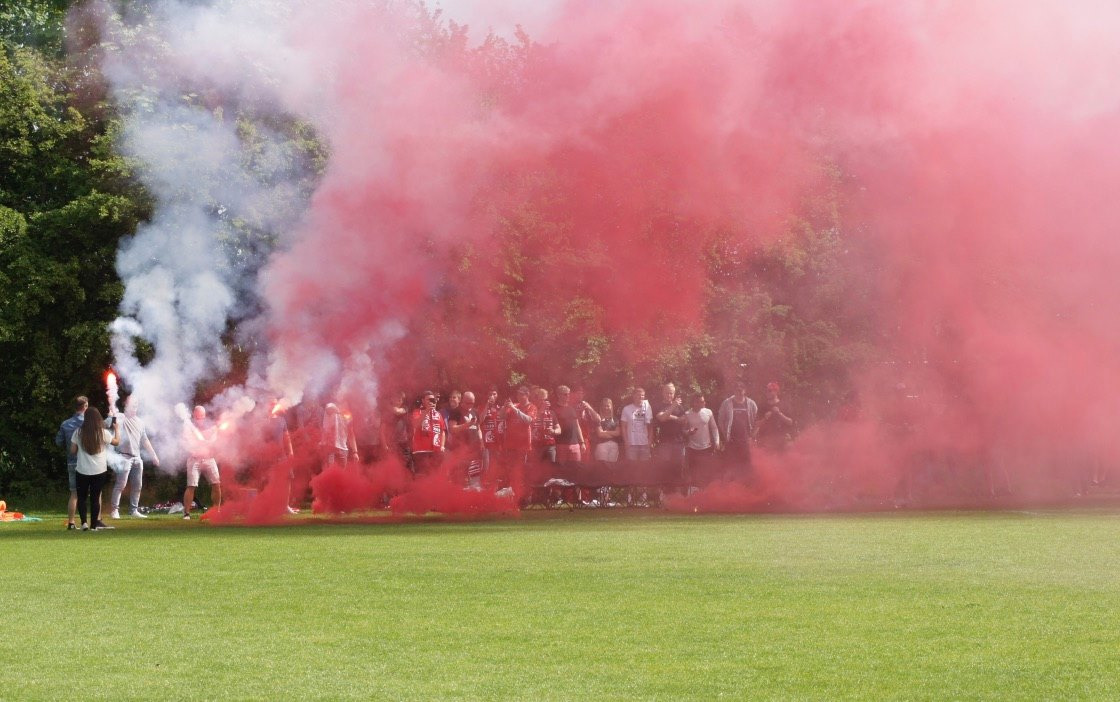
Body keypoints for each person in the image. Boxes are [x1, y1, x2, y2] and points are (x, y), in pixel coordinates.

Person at [109, 397, 160, 519]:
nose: (134, 407)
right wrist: (112, 414)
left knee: (138, 486)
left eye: (136, 404)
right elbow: (112, 419)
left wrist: (154, 456)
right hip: (124, 457)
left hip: (137, 458)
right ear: (126, 405)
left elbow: (145, 440)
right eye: (132, 404)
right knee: (120, 485)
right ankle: (114, 511)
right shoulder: (120, 417)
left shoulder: (140, 422)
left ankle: (134, 510)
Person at [69, 406, 120, 530]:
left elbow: (73, 451)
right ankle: (93, 526)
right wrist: (117, 429)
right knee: (95, 498)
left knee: (81, 497)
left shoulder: (78, 432)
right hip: (99, 470)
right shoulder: (103, 432)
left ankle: (84, 524)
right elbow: (116, 442)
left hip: (82, 470)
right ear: (98, 419)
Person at [182, 405, 221, 520]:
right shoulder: (188, 426)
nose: (200, 418)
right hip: (194, 459)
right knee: (191, 485)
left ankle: (216, 510)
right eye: (198, 416)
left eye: (202, 416)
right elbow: (186, 442)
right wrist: (196, 446)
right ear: (194, 415)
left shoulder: (211, 426)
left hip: (209, 458)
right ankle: (186, 514)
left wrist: (208, 441)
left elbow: (214, 441)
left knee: (216, 483)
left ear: (205, 416)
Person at [55, 395, 88, 530]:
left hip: (71, 462)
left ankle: (71, 522)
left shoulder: (65, 424)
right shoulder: (89, 423)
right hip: (88, 462)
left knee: (74, 493)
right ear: (85, 406)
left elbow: (58, 442)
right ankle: (94, 520)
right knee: (94, 492)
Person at [718, 380, 758, 476]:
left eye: (741, 388)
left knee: (746, 466)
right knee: (731, 466)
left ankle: (745, 488)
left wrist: (752, 437)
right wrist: (725, 436)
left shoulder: (751, 404)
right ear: (734, 390)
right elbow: (720, 420)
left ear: (745, 390)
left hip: (746, 441)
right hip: (731, 441)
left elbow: (757, 422)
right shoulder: (727, 403)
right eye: (737, 388)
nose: (739, 390)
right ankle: (731, 488)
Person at [684, 394, 720, 483]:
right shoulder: (687, 414)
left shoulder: (708, 412)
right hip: (692, 448)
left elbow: (714, 428)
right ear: (694, 403)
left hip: (706, 448)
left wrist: (717, 441)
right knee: (694, 473)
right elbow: (683, 431)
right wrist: (689, 432)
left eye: (703, 401)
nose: (704, 403)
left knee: (706, 473)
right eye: (701, 402)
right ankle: (695, 493)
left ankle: (707, 493)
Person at [410, 391, 447, 474]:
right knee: (422, 476)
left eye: (432, 399)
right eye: (428, 399)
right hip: (421, 450)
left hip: (435, 451)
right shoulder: (417, 412)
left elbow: (442, 431)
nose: (431, 401)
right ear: (423, 400)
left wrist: (442, 446)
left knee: (434, 475)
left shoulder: (438, 414)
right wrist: (426, 411)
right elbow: (416, 424)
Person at [653, 382, 686, 476]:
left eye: (671, 393)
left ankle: (677, 490)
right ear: (662, 393)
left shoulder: (680, 406)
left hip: (679, 442)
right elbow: (662, 418)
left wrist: (670, 416)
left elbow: (684, 420)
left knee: (679, 469)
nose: (669, 395)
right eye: (667, 392)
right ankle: (666, 490)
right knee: (664, 469)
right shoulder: (658, 406)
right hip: (664, 443)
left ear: (674, 394)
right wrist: (673, 408)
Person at [755, 381, 794, 452]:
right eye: (766, 391)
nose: (767, 392)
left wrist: (779, 413)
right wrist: (765, 418)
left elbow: (790, 422)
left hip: (781, 441)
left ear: (776, 392)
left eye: (769, 391)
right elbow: (757, 424)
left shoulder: (784, 404)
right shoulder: (762, 406)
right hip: (765, 441)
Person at [553, 385, 587, 464]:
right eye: (565, 394)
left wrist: (582, 443)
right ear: (558, 395)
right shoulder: (553, 409)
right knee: (562, 470)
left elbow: (577, 426)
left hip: (574, 444)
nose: (568, 396)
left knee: (576, 469)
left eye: (568, 394)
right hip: (561, 444)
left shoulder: (572, 408)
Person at [620, 387, 653, 461]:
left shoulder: (647, 408)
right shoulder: (626, 409)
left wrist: (650, 441)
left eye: (643, 395)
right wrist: (626, 441)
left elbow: (650, 427)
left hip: (644, 444)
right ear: (634, 396)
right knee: (632, 468)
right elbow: (623, 427)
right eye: (639, 395)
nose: (641, 397)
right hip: (631, 444)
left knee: (643, 468)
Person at [530, 387, 560, 464]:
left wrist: (553, 431)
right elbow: (531, 423)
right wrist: (541, 411)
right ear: (536, 400)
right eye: (541, 399)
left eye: (545, 399)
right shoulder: (532, 410)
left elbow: (559, 429)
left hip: (550, 446)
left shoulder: (551, 413)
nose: (544, 402)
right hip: (536, 446)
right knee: (536, 469)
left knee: (550, 469)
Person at [594, 398, 622, 463]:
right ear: (602, 407)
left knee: (612, 467)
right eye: (604, 406)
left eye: (608, 406)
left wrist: (606, 432)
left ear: (611, 407)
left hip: (614, 446)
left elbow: (618, 433)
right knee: (602, 466)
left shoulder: (615, 419)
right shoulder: (598, 419)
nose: (606, 408)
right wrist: (613, 433)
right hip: (601, 445)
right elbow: (600, 434)